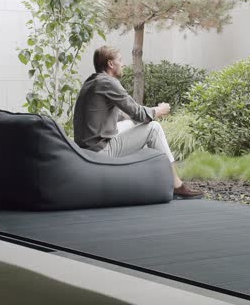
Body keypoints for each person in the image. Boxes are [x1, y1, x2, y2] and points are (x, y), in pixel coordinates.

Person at [73, 45, 204, 199]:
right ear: (110, 64)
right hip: (99, 152)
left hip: (88, 148)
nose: (123, 64)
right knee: (153, 128)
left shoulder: (92, 81)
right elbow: (138, 113)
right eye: (120, 60)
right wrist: (158, 111)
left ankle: (152, 177)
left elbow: (127, 115)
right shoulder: (108, 82)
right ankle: (176, 185)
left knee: (132, 124)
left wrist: (145, 114)